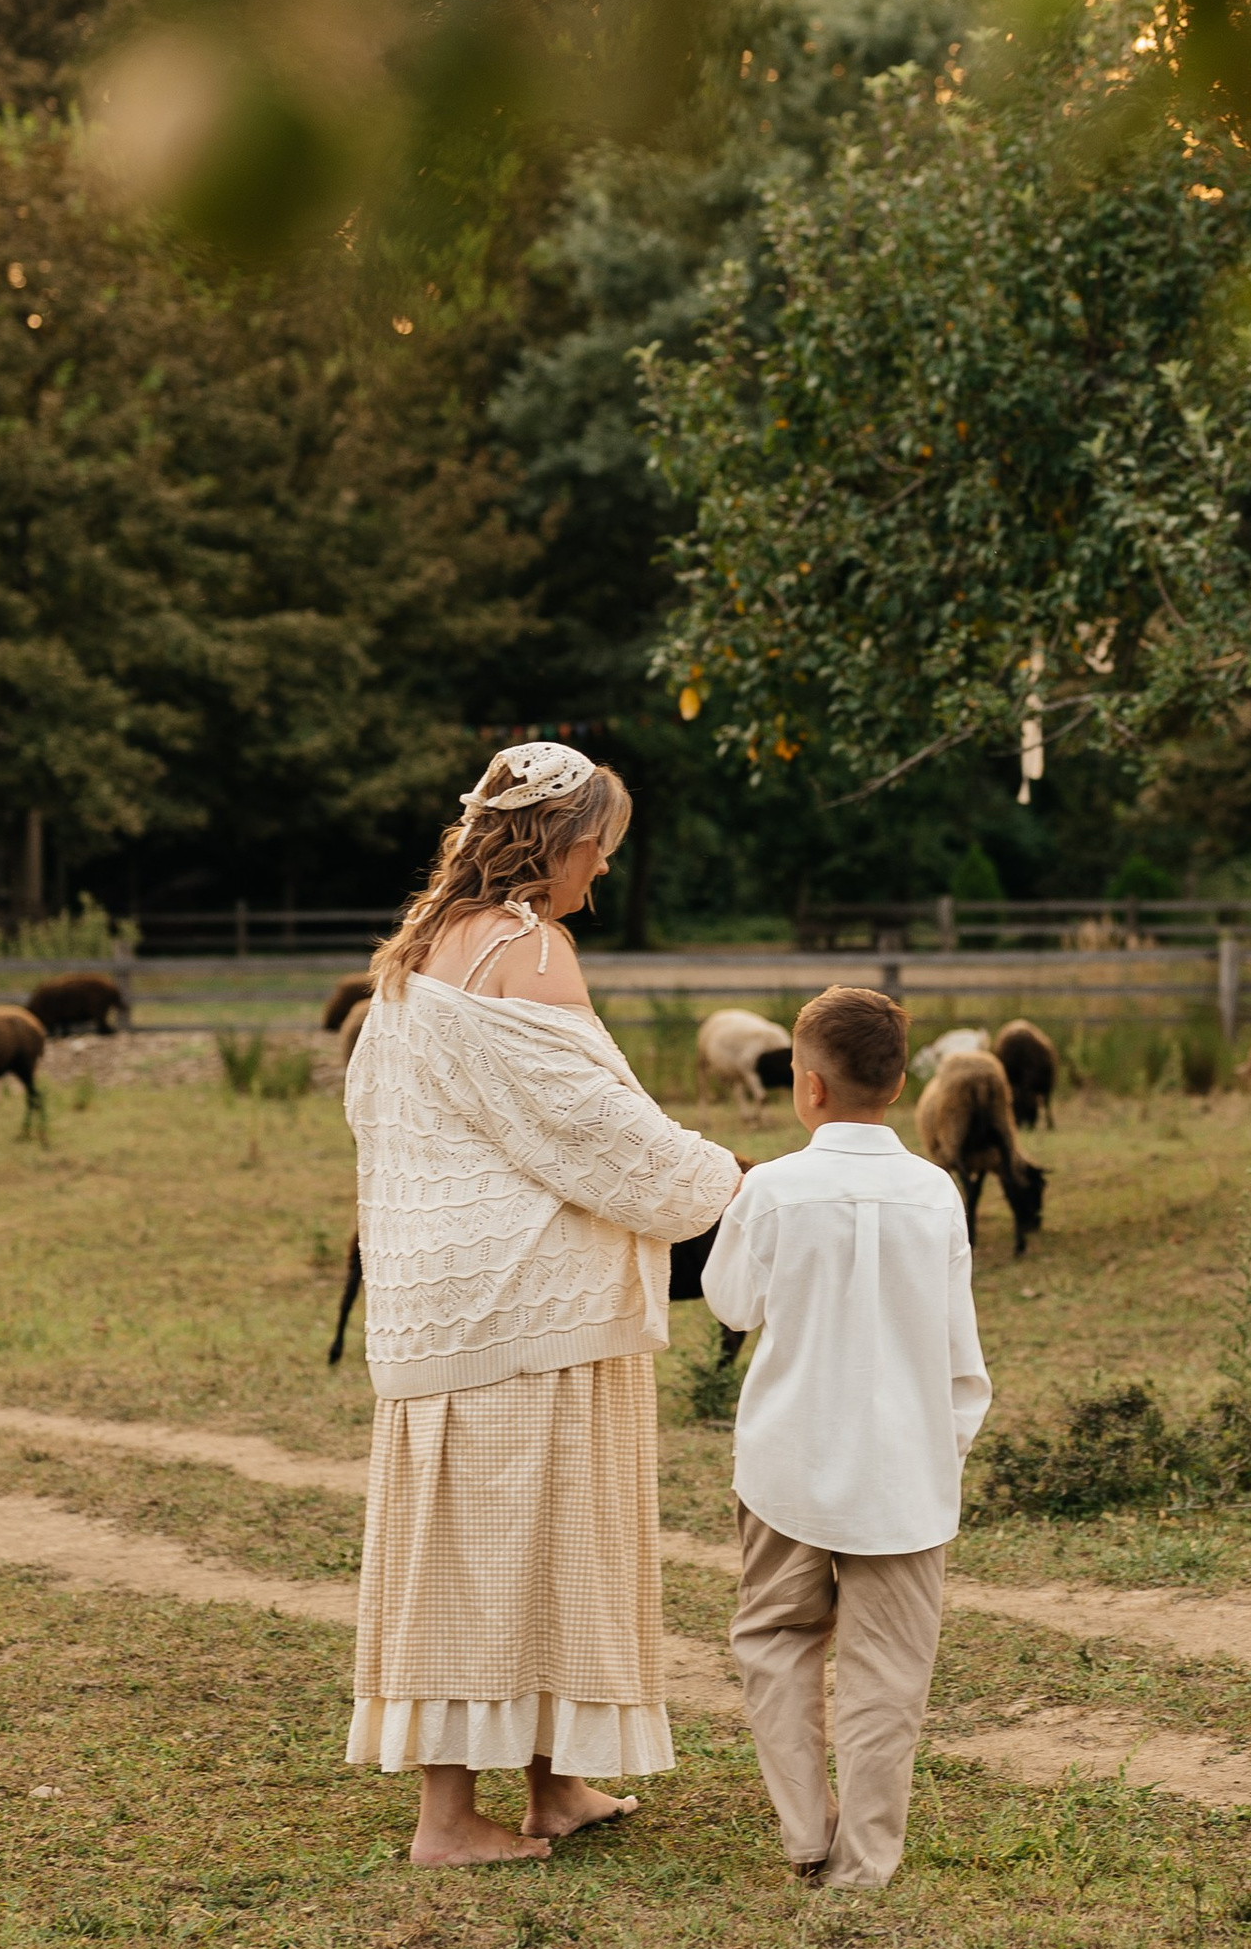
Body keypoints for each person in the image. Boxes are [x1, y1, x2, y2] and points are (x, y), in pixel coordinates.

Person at [344, 741, 742, 1871]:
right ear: (559, 845)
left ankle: (553, 1783)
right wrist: (727, 1184)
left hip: (444, 1297)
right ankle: (447, 1820)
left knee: (497, 1544)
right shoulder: (529, 947)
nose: (600, 874)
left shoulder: (415, 952)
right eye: (598, 851)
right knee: (519, 1544)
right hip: (525, 1301)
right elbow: (592, 1128)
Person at [698, 984, 991, 1891]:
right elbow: (957, 1347)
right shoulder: (937, 1195)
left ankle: (805, 1834)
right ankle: (864, 1862)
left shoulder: (774, 1191)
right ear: (901, 1086)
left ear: (808, 1086)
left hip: (789, 1464)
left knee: (778, 1641)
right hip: (907, 1472)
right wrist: (946, 1451)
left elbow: (730, 1303)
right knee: (889, 1673)